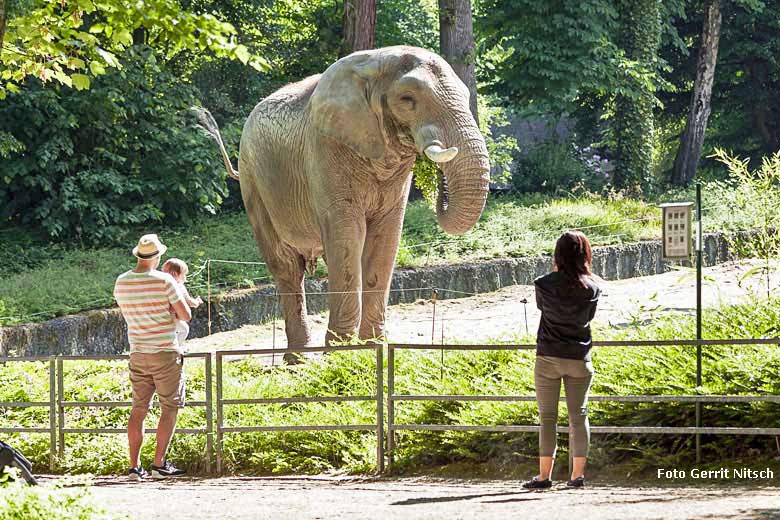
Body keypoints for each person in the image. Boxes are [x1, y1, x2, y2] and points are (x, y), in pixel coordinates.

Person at [523, 231, 600, 490]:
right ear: (585, 255)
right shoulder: (593, 288)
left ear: (557, 254)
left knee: (547, 417)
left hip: (548, 356)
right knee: (579, 416)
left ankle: (544, 477)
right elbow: (588, 316)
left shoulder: (543, 284)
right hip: (579, 357)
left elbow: (543, 308)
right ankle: (576, 476)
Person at [113, 234, 192, 481]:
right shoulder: (165, 280)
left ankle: (134, 467)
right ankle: (159, 464)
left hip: (138, 352)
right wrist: (169, 311)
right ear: (157, 257)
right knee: (169, 407)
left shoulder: (121, 282)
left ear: (138, 255)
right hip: (165, 352)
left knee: (139, 409)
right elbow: (186, 314)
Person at [161, 258, 203, 347]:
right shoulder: (179, 286)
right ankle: (176, 347)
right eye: (184, 274)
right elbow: (190, 302)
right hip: (172, 318)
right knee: (184, 329)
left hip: (158, 316)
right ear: (177, 274)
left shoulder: (160, 283)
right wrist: (197, 302)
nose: (185, 277)